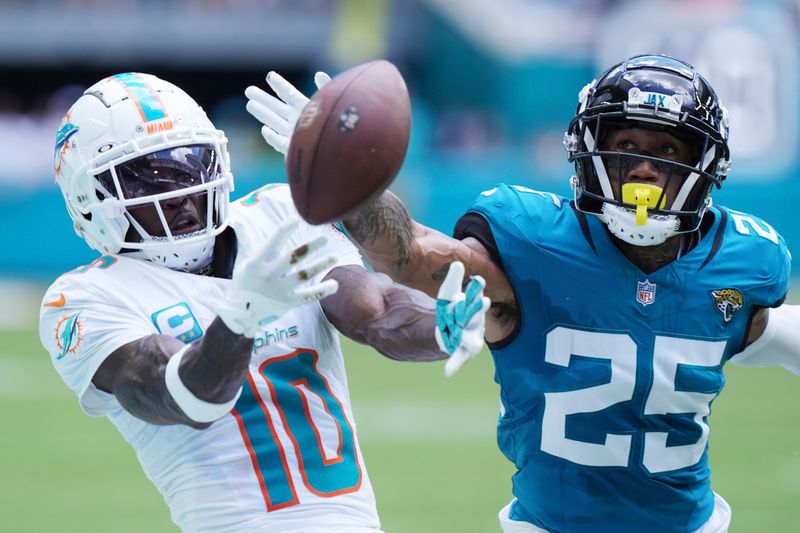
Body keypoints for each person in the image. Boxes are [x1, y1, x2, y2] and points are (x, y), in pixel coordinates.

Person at [247, 54, 800, 532]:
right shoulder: (533, 244)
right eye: (626, 144)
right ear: (588, 151)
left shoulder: (746, 262)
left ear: (705, 166)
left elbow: (734, 325)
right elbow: (408, 253)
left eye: (667, 150)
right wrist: (349, 179)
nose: (644, 168)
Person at [39, 72, 490, 533]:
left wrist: (439, 324)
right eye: (144, 180)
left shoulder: (279, 213)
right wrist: (240, 318)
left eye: (192, 165)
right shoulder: (84, 299)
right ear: (89, 198)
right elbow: (188, 398)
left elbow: (375, 311)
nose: (181, 193)